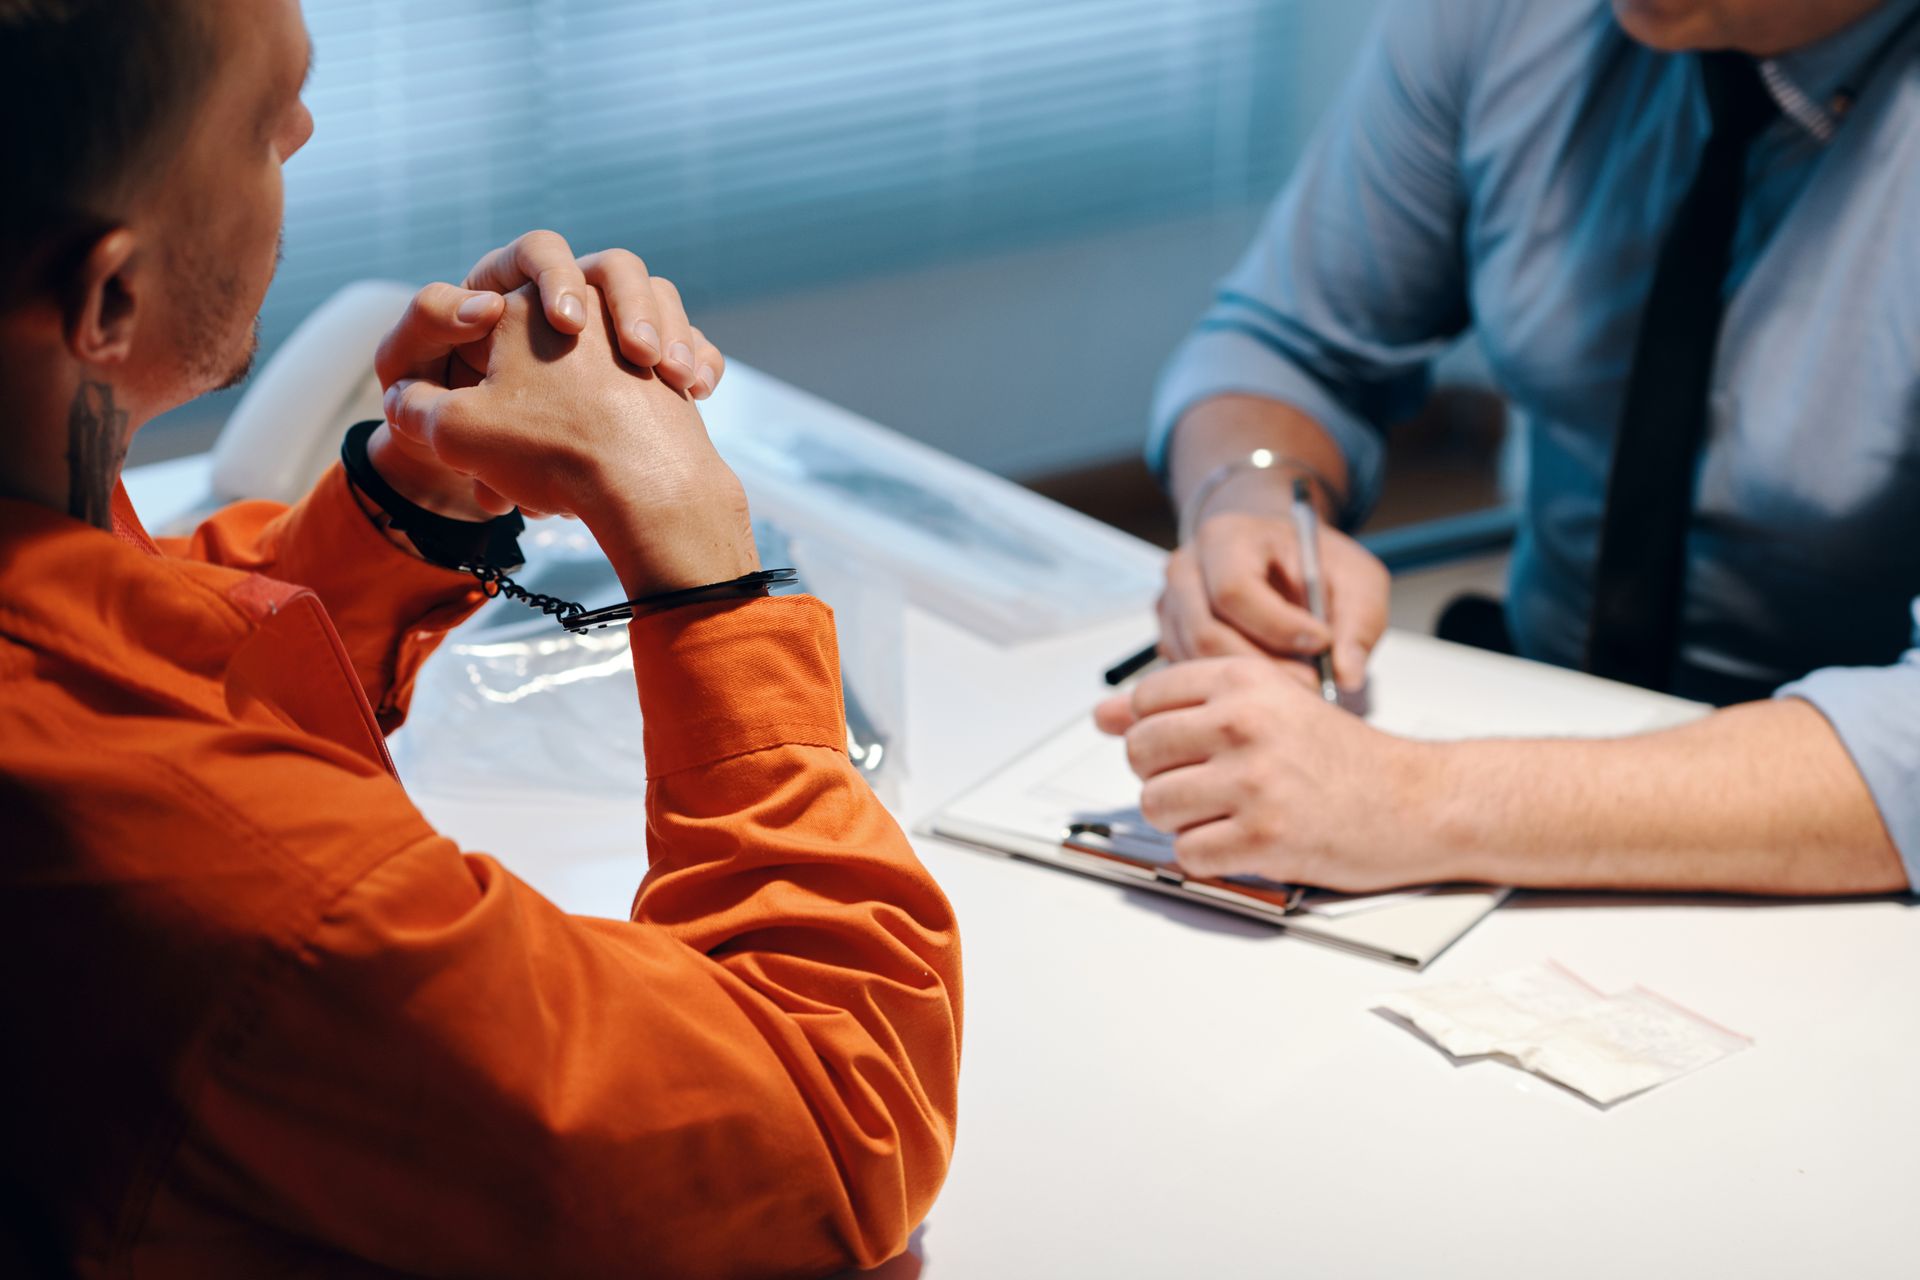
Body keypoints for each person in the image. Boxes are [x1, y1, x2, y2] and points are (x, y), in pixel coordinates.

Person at [0, 1, 960, 1275]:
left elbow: (141, 659)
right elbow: (837, 1123)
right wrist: (702, 569)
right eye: (259, 119)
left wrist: (412, 496)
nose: (304, 127)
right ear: (109, 295)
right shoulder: (254, 885)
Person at [1110, 0, 1920, 896]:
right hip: (1533, 695)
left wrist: (1423, 802)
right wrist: (1253, 502)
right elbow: (1291, 342)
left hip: (1836, 833)